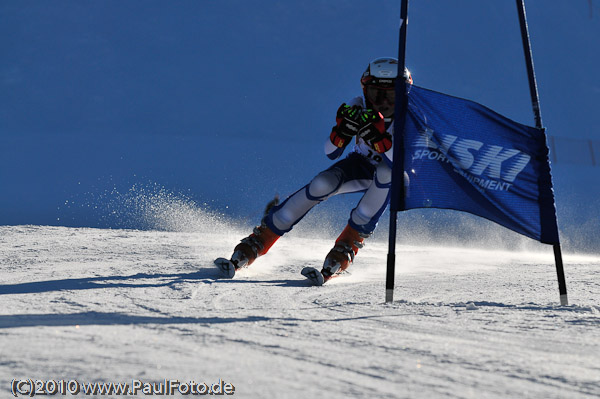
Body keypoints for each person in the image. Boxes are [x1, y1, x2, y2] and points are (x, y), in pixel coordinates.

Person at [223, 57, 412, 282]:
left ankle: (348, 244)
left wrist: (381, 140)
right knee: (322, 184)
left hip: (397, 175)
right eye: (375, 94)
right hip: (360, 165)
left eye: (390, 96)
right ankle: (262, 237)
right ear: (365, 90)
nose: (382, 103)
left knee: (386, 172)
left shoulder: (411, 117)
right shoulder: (358, 106)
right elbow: (331, 151)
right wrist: (342, 132)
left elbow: (403, 161)